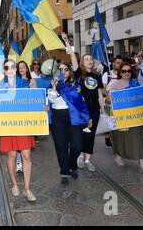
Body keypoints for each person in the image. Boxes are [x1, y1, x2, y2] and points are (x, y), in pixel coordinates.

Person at [0, 59, 37, 202]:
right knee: (12, 155)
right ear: (4, 70)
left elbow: (32, 102)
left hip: (23, 124)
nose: (10, 70)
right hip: (8, 125)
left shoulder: (24, 84)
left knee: (26, 155)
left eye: (12, 67)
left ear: (15, 69)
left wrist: (41, 108)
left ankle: (27, 188)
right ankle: (14, 184)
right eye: (6, 67)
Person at [64, 33, 105, 173]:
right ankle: (80, 156)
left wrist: (103, 109)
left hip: (94, 109)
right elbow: (71, 56)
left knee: (91, 134)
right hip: (81, 109)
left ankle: (88, 159)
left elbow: (99, 93)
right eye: (86, 59)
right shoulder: (78, 73)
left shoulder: (97, 76)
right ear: (82, 62)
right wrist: (67, 43)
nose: (89, 61)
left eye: (91, 59)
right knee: (81, 133)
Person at [47, 61, 90, 185]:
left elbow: (81, 102)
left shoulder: (75, 83)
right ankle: (64, 171)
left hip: (74, 117)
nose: (63, 72)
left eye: (66, 69)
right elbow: (51, 99)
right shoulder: (53, 83)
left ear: (70, 71)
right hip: (58, 116)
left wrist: (88, 118)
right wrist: (54, 86)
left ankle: (72, 165)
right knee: (61, 145)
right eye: (60, 70)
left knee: (77, 145)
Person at [106, 62, 143, 175]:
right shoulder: (114, 83)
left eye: (129, 71)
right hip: (120, 117)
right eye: (124, 71)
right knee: (119, 138)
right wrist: (109, 97)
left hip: (135, 117)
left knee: (138, 139)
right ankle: (117, 156)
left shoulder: (136, 83)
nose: (126, 73)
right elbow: (106, 100)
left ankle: (141, 164)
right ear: (120, 72)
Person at [15, 61, 37, 173]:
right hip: (16, 114)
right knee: (17, 139)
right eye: (20, 68)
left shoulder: (31, 81)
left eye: (24, 67)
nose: (22, 69)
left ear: (27, 69)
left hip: (27, 114)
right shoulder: (14, 81)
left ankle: (25, 161)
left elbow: (35, 98)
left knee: (25, 141)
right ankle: (19, 162)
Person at [101, 56, 123, 148]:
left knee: (119, 121)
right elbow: (102, 88)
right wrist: (108, 95)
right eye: (117, 62)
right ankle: (107, 138)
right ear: (113, 64)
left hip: (120, 102)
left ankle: (118, 139)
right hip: (109, 102)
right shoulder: (107, 75)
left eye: (121, 63)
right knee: (108, 121)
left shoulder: (124, 74)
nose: (119, 65)